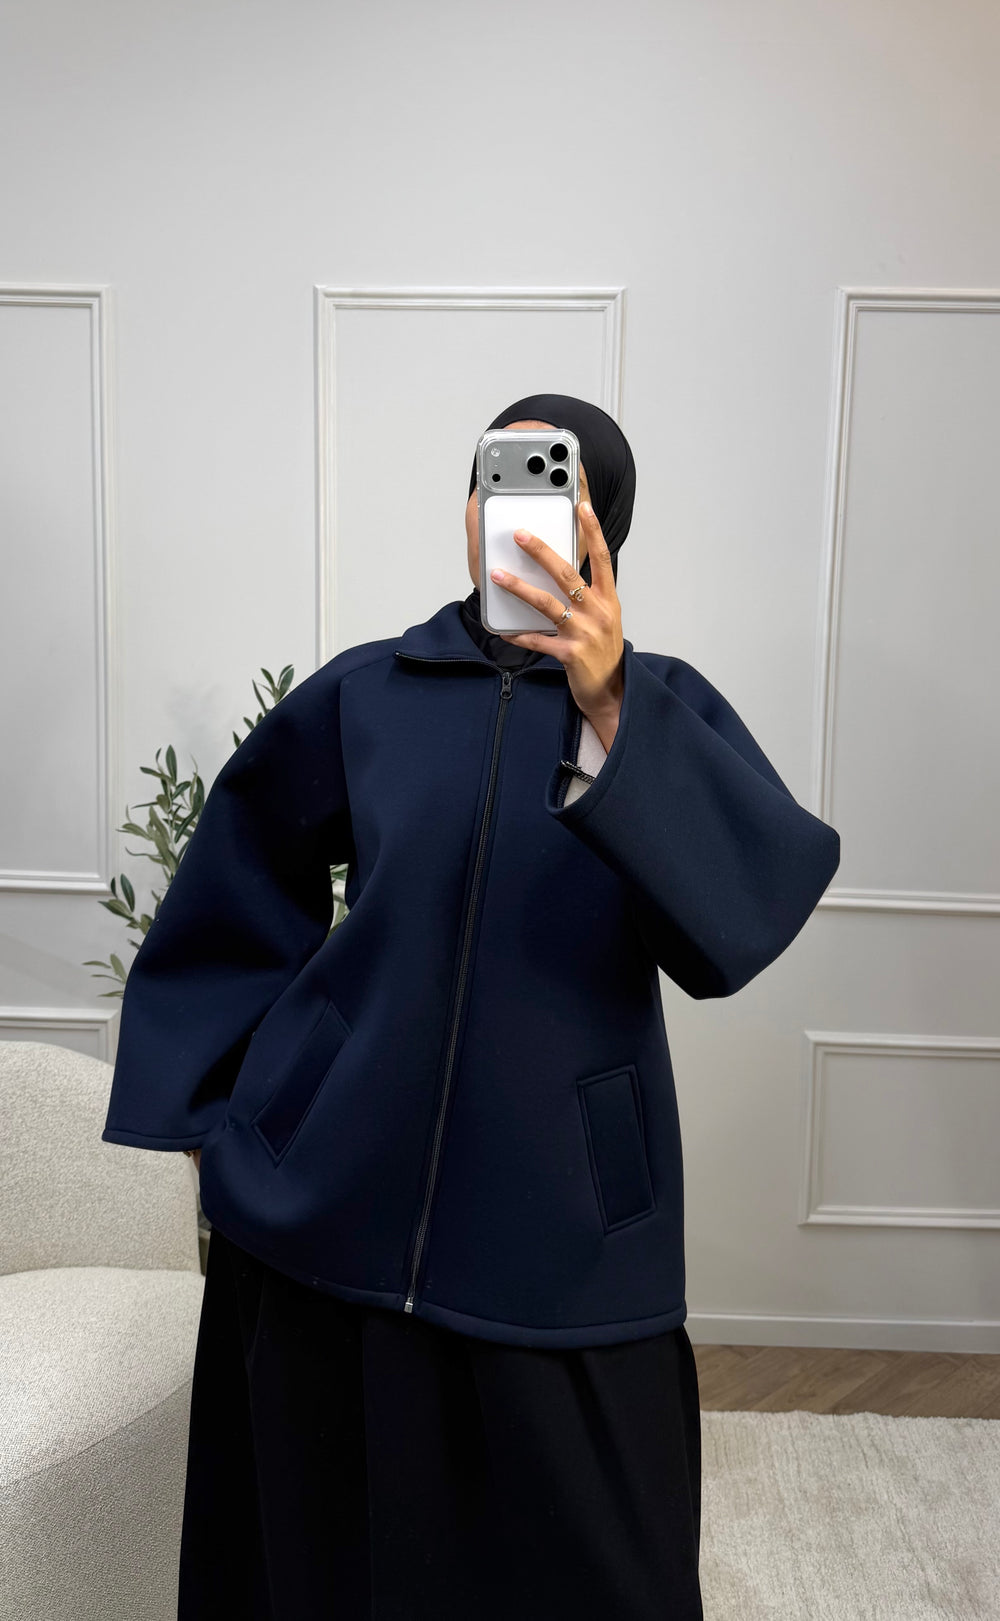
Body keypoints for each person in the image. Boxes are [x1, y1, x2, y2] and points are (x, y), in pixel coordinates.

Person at [101, 393, 841, 1620]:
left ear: (603, 532)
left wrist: (611, 707)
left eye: (556, 497)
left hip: (562, 1232)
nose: (520, 519)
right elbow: (240, 869)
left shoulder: (660, 710)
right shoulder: (367, 694)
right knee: (315, 1557)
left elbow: (737, 925)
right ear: (466, 510)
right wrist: (223, 1107)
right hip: (323, 1212)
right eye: (498, 487)